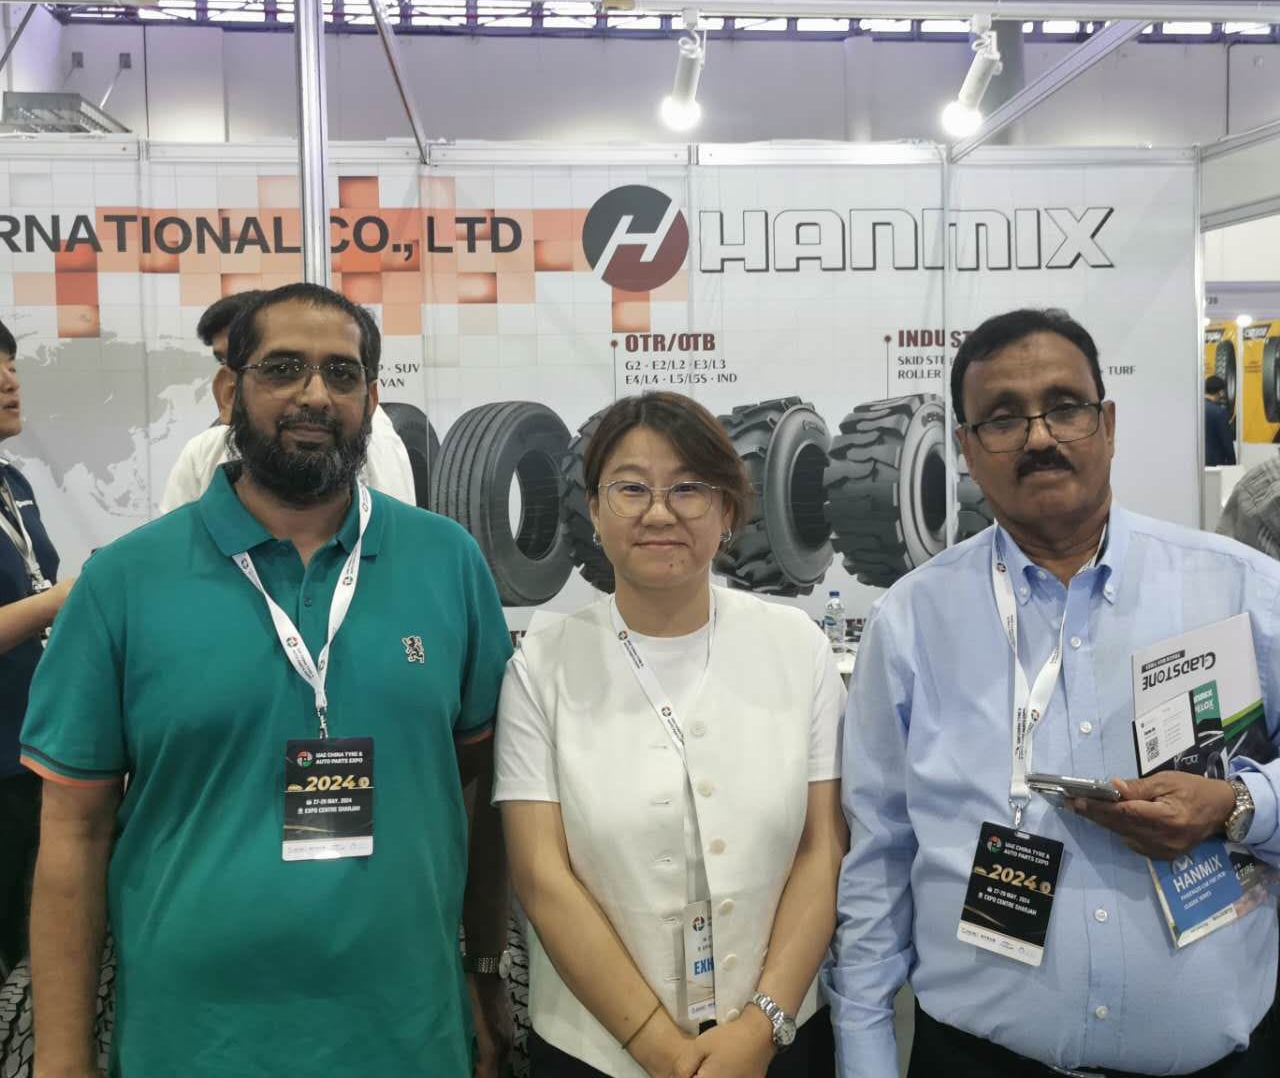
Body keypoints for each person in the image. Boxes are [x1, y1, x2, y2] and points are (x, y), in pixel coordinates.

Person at [20, 282, 512, 1076]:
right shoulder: (124, 581)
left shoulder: (448, 562)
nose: (315, 394)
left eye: (342, 373)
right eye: (283, 368)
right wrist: (62, 1059)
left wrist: (485, 971)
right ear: (228, 391)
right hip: (192, 1043)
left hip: (407, 1036)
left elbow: (480, 792)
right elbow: (74, 834)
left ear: (371, 399)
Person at [827, 307, 1280, 1077]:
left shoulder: (1242, 590)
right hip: (975, 1060)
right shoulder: (910, 621)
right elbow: (879, 855)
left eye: (1065, 407)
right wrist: (866, 1054)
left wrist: (1239, 806)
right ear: (967, 450)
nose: (1039, 437)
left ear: (1107, 423)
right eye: (1003, 418)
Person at [496, 391, 847, 1078]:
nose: (659, 512)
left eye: (688, 488)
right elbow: (541, 875)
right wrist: (661, 1051)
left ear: (727, 509)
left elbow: (822, 847)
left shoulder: (796, 647)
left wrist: (761, 1027)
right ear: (594, 510)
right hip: (597, 1051)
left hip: (774, 1040)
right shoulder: (543, 663)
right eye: (631, 488)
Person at [158, 289, 417, 513]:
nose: (316, 397)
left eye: (283, 368)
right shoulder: (203, 451)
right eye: (224, 359)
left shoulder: (367, 436)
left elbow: (395, 531)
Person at [0, 318, 72, 980]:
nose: (9, 382)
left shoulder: (12, 483)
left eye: (12, 364)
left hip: (33, 749)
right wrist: (61, 600)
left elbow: (35, 582)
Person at [1205, 373, 1238, 467]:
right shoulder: (1219, 413)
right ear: (1221, 392)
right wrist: (1232, 466)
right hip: (1215, 466)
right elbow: (1227, 443)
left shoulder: (1195, 410)